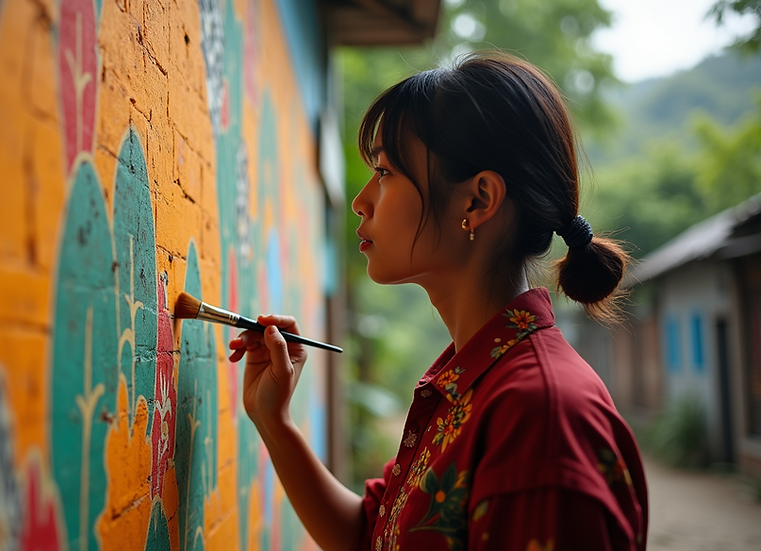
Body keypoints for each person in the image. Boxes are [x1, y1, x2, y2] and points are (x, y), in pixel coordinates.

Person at [228, 51, 647, 551]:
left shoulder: (540, 418)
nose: (362, 200)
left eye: (385, 172)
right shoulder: (471, 380)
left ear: (476, 201)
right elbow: (371, 535)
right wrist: (273, 421)